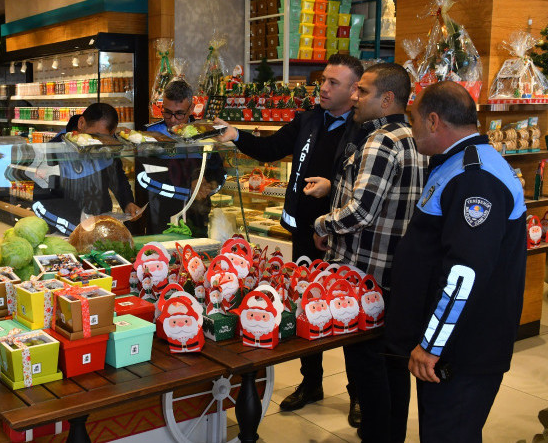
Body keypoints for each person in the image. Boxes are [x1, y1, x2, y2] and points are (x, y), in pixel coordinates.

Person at [216, 54, 364, 423]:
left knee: (347, 309)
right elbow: (270, 149)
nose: (323, 88)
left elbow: (366, 191)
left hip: (344, 235)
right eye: (323, 80)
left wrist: (332, 192)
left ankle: (359, 394)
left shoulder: (363, 130)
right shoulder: (309, 118)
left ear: (354, 91)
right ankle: (311, 381)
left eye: (333, 83)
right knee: (305, 304)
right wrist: (236, 135)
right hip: (303, 231)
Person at [386, 81, 526, 442]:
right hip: (453, 347)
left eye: (413, 119)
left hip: (461, 350)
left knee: (449, 433)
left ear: (434, 121)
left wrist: (431, 345)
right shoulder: (456, 164)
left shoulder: (474, 179)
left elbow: (465, 273)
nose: (410, 128)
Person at [311, 63, 428, 442]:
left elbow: (361, 211)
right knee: (393, 366)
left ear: (387, 99)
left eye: (362, 91)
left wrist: (323, 224)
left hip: (364, 277)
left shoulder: (381, 141)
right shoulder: (416, 138)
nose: (355, 97)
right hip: (397, 274)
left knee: (368, 369)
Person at [32, 103, 138, 234]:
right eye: (96, 137)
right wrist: (76, 229)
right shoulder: (53, 151)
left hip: (98, 229)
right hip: (64, 233)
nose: (100, 143)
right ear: (81, 123)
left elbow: (117, 177)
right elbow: (41, 204)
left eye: (107, 138)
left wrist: (127, 202)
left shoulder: (107, 146)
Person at [138, 80, 227, 236]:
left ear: (191, 108)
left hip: (197, 213)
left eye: (179, 113)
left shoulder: (204, 132)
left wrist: (208, 183)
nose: (172, 119)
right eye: (167, 112)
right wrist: (189, 180)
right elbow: (144, 174)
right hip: (161, 212)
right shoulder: (150, 133)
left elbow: (218, 171)